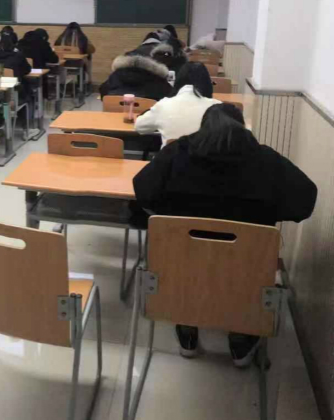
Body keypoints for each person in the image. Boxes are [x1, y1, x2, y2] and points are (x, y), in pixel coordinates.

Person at [134, 103, 317, 365]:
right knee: (247, 270)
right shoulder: (265, 160)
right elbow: (304, 202)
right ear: (241, 128)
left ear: (203, 128)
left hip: (181, 272)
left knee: (187, 266)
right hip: (246, 273)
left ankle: (187, 327)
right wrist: (268, 211)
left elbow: (143, 190)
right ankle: (242, 338)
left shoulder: (178, 152)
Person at [135, 62, 221, 146]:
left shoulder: (163, 105)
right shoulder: (218, 107)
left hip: (171, 155)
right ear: (207, 83)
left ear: (178, 81)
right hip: (206, 155)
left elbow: (139, 126)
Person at [99, 50, 173, 101]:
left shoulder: (116, 75)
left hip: (114, 115)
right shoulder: (157, 78)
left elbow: (103, 92)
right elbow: (169, 96)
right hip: (147, 117)